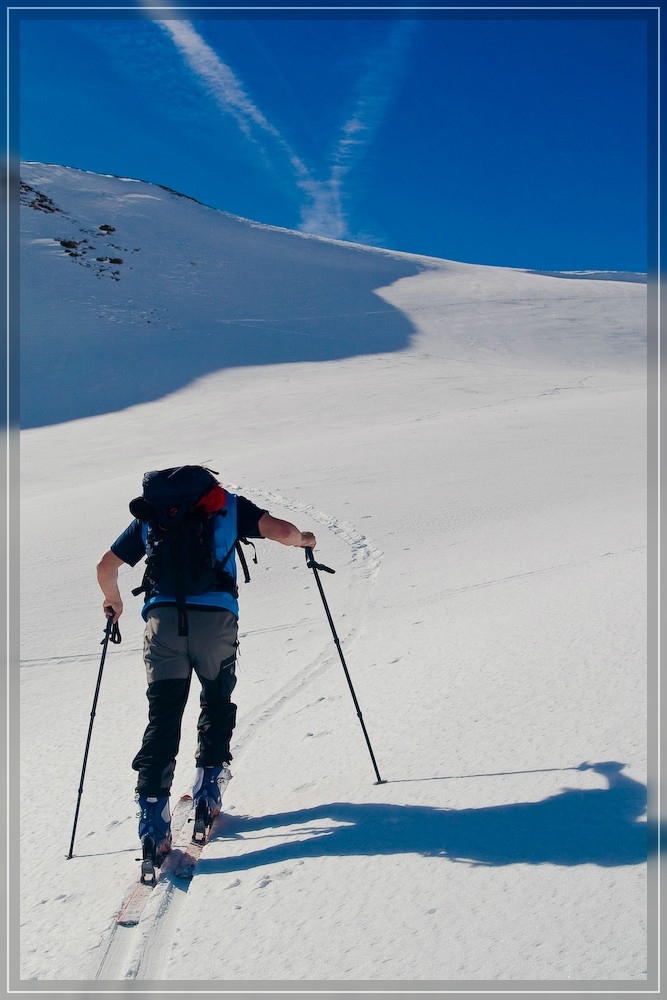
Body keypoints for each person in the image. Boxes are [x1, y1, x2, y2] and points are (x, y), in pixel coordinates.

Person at [96, 469, 316, 864]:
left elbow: (105, 567)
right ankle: (208, 789)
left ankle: (152, 821)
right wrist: (305, 540)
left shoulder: (154, 514)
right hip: (215, 620)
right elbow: (283, 532)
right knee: (216, 701)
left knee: (162, 717)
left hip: (162, 622)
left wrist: (114, 601)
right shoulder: (229, 506)